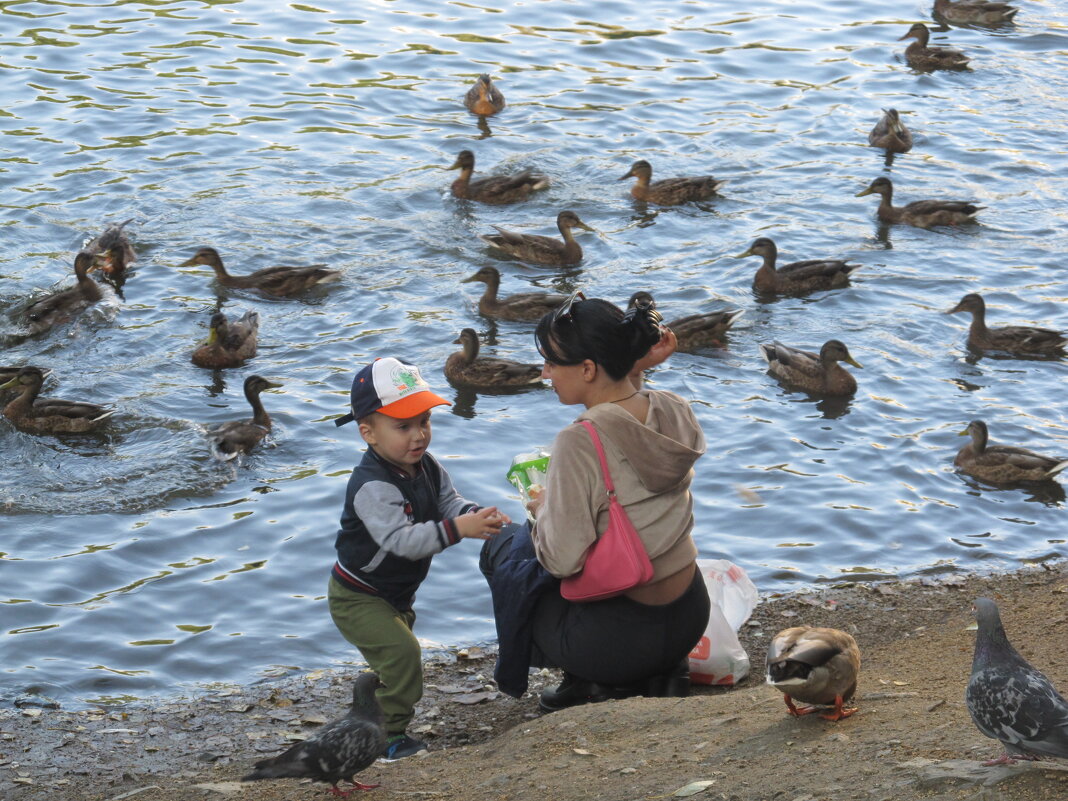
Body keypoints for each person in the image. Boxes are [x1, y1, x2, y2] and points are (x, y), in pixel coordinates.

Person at [482, 294, 711, 711]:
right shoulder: (675, 409)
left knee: (506, 551)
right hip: (689, 617)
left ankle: (590, 682)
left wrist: (541, 510)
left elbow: (561, 561)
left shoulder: (579, 441)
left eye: (552, 362)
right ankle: (666, 671)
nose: (545, 372)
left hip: (619, 643)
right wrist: (633, 366)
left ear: (587, 369)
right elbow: (629, 412)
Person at [330, 357, 508, 757]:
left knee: (394, 661)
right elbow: (402, 541)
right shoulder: (371, 486)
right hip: (357, 595)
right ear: (367, 433)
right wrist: (459, 530)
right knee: (404, 655)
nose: (419, 435)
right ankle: (388, 737)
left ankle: (366, 710)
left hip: (396, 591)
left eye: (424, 421)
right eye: (403, 426)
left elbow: (448, 500)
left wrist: (472, 515)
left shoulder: (425, 465)